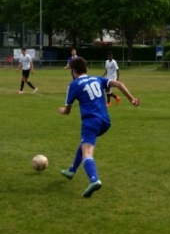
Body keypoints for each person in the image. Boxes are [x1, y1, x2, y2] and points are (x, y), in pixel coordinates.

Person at [58, 57, 140, 198]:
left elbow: (67, 111)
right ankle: (72, 170)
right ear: (87, 69)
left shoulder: (74, 85)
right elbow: (119, 84)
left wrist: (60, 110)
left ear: (74, 71)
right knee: (84, 143)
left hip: (91, 122)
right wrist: (132, 99)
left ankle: (94, 179)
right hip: (105, 121)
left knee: (87, 153)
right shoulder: (97, 79)